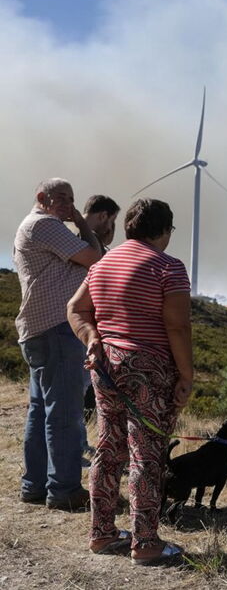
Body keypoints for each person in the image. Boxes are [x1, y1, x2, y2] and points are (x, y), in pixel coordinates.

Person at [67, 198, 193, 563]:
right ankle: (146, 542)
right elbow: (178, 326)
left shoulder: (104, 263)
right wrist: (186, 375)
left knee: (109, 448)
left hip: (106, 365)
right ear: (165, 230)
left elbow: (75, 308)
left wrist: (92, 338)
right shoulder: (168, 267)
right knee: (146, 454)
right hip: (149, 370)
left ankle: (102, 534)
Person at [13, 178, 102, 510]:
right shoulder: (45, 224)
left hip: (40, 331)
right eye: (61, 198)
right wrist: (82, 224)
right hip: (56, 330)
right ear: (41, 198)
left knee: (41, 412)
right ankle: (64, 490)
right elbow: (95, 258)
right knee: (64, 414)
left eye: (72, 199)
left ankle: (34, 485)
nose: (68, 204)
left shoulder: (37, 226)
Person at [78, 195, 121, 461]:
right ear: (104, 217)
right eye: (113, 221)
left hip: (85, 332)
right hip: (82, 333)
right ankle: (75, 448)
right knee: (77, 397)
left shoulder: (85, 241)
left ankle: (79, 443)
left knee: (82, 396)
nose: (114, 229)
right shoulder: (83, 242)